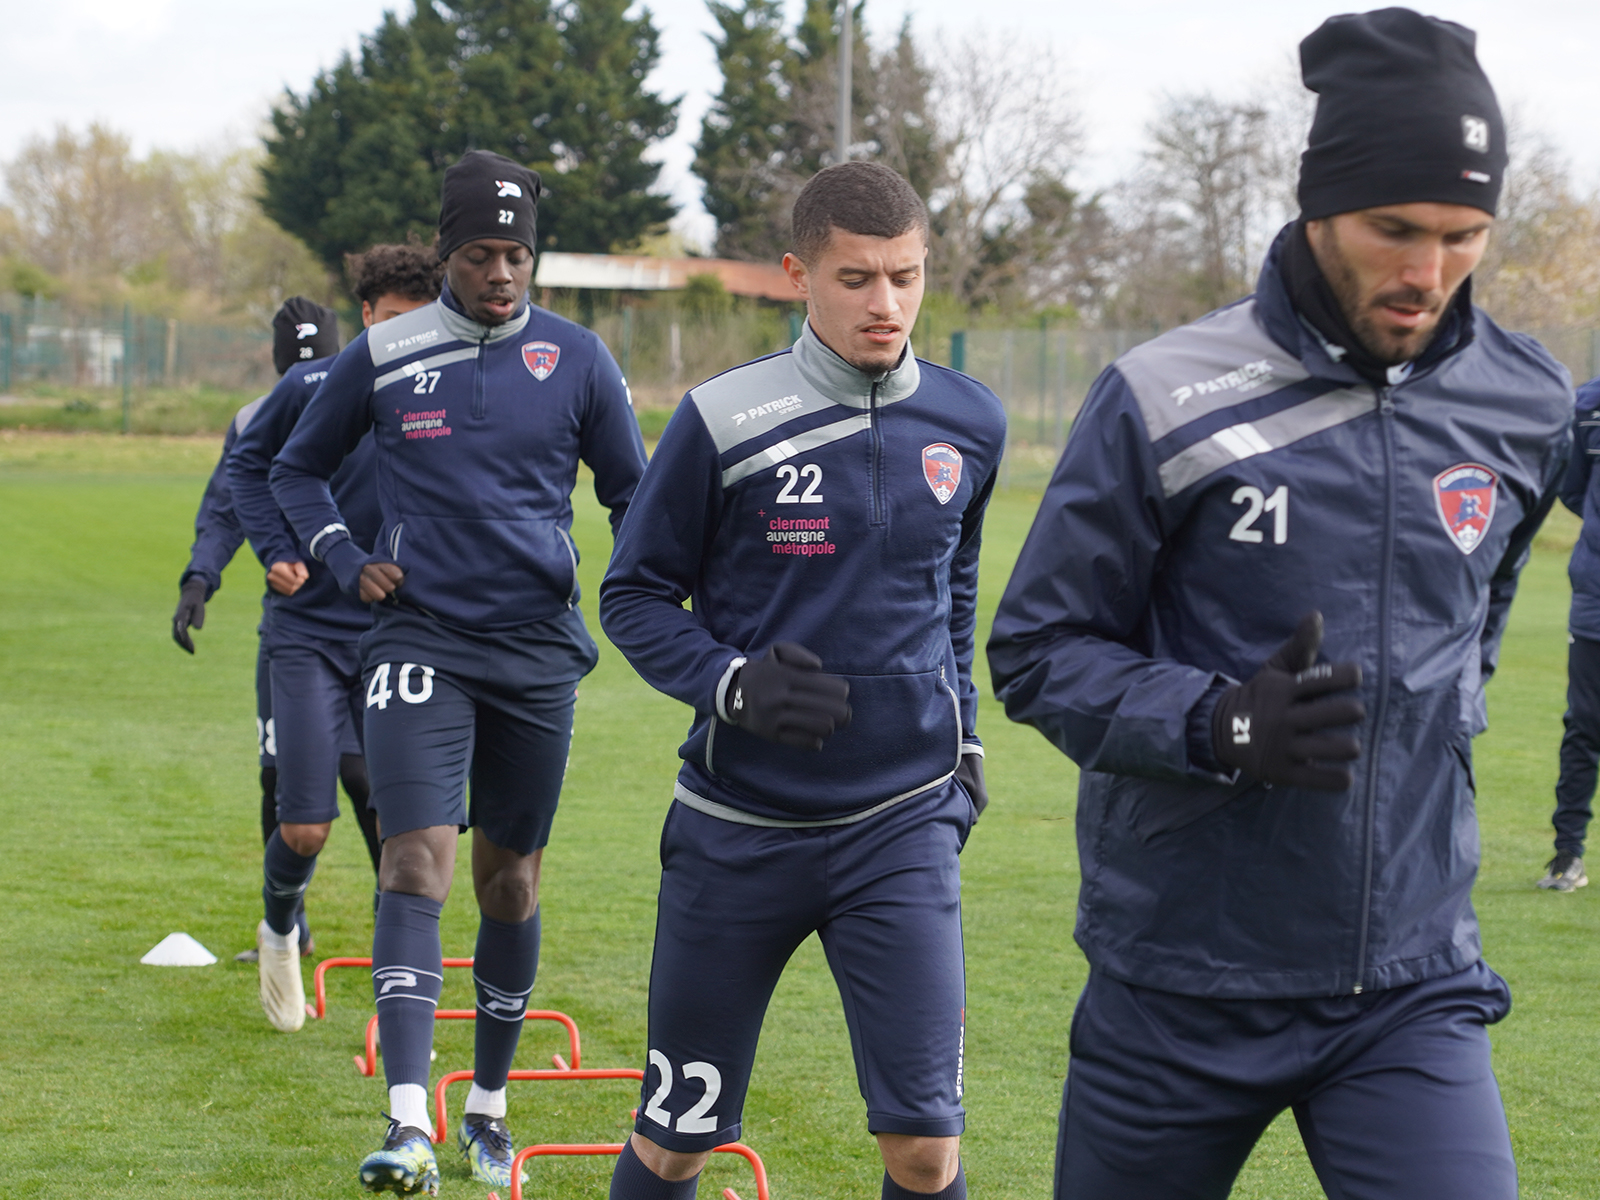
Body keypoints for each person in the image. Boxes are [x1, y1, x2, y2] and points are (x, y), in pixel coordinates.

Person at [986, 10, 1571, 1199]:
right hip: (1178, 986)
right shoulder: (1162, 395)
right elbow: (1037, 652)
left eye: (1463, 235)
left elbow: (1477, 623)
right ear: (1318, 209)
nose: (1427, 271)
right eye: (1393, 229)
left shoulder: (1525, 402)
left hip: (1408, 985)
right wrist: (1215, 724)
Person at [599, 161, 1005, 1200]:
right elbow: (633, 597)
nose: (887, 305)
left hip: (902, 827)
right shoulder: (721, 418)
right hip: (737, 830)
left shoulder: (970, 422)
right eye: (858, 278)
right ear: (797, 274)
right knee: (676, 1141)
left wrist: (962, 752)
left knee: (926, 1150)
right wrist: (729, 684)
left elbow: (951, 596)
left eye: (907, 278)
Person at [270, 150, 648, 1195]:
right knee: (414, 861)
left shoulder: (577, 360)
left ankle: (486, 1106)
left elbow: (636, 496)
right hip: (419, 641)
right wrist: (346, 559)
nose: (501, 274)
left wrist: (661, 587)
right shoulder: (388, 354)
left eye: (517, 254)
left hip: (533, 653)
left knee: (510, 879)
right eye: (481, 254)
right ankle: (407, 1123)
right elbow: (294, 465)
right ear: (446, 253)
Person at [228, 244, 443, 1031]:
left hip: (404, 638)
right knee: (306, 823)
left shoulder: (446, 394)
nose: (404, 341)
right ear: (365, 317)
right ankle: (281, 926)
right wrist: (275, 550)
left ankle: (403, 987)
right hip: (311, 633)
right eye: (391, 324)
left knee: (408, 831)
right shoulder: (314, 383)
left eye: (419, 325)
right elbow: (250, 468)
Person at [172, 297, 342, 960]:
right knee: (282, 784)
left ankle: (401, 948)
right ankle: (288, 927)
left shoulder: (379, 407)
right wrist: (199, 580)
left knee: (371, 789)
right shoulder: (256, 421)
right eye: (294, 367)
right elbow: (225, 508)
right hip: (294, 634)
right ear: (278, 367)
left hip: (376, 630)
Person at [1540, 374, 1600, 891]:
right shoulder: (1590, 404)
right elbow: (1573, 489)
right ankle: (1567, 855)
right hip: (1596, 599)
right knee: (1584, 726)